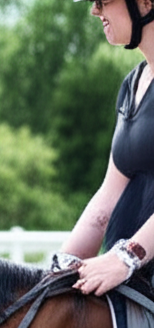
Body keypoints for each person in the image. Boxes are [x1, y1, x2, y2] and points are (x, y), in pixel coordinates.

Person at [55, 0, 154, 294]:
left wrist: (126, 257)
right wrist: (60, 267)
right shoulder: (132, 85)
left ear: (145, 3)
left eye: (102, 1)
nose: (94, 11)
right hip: (132, 278)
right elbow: (107, 199)